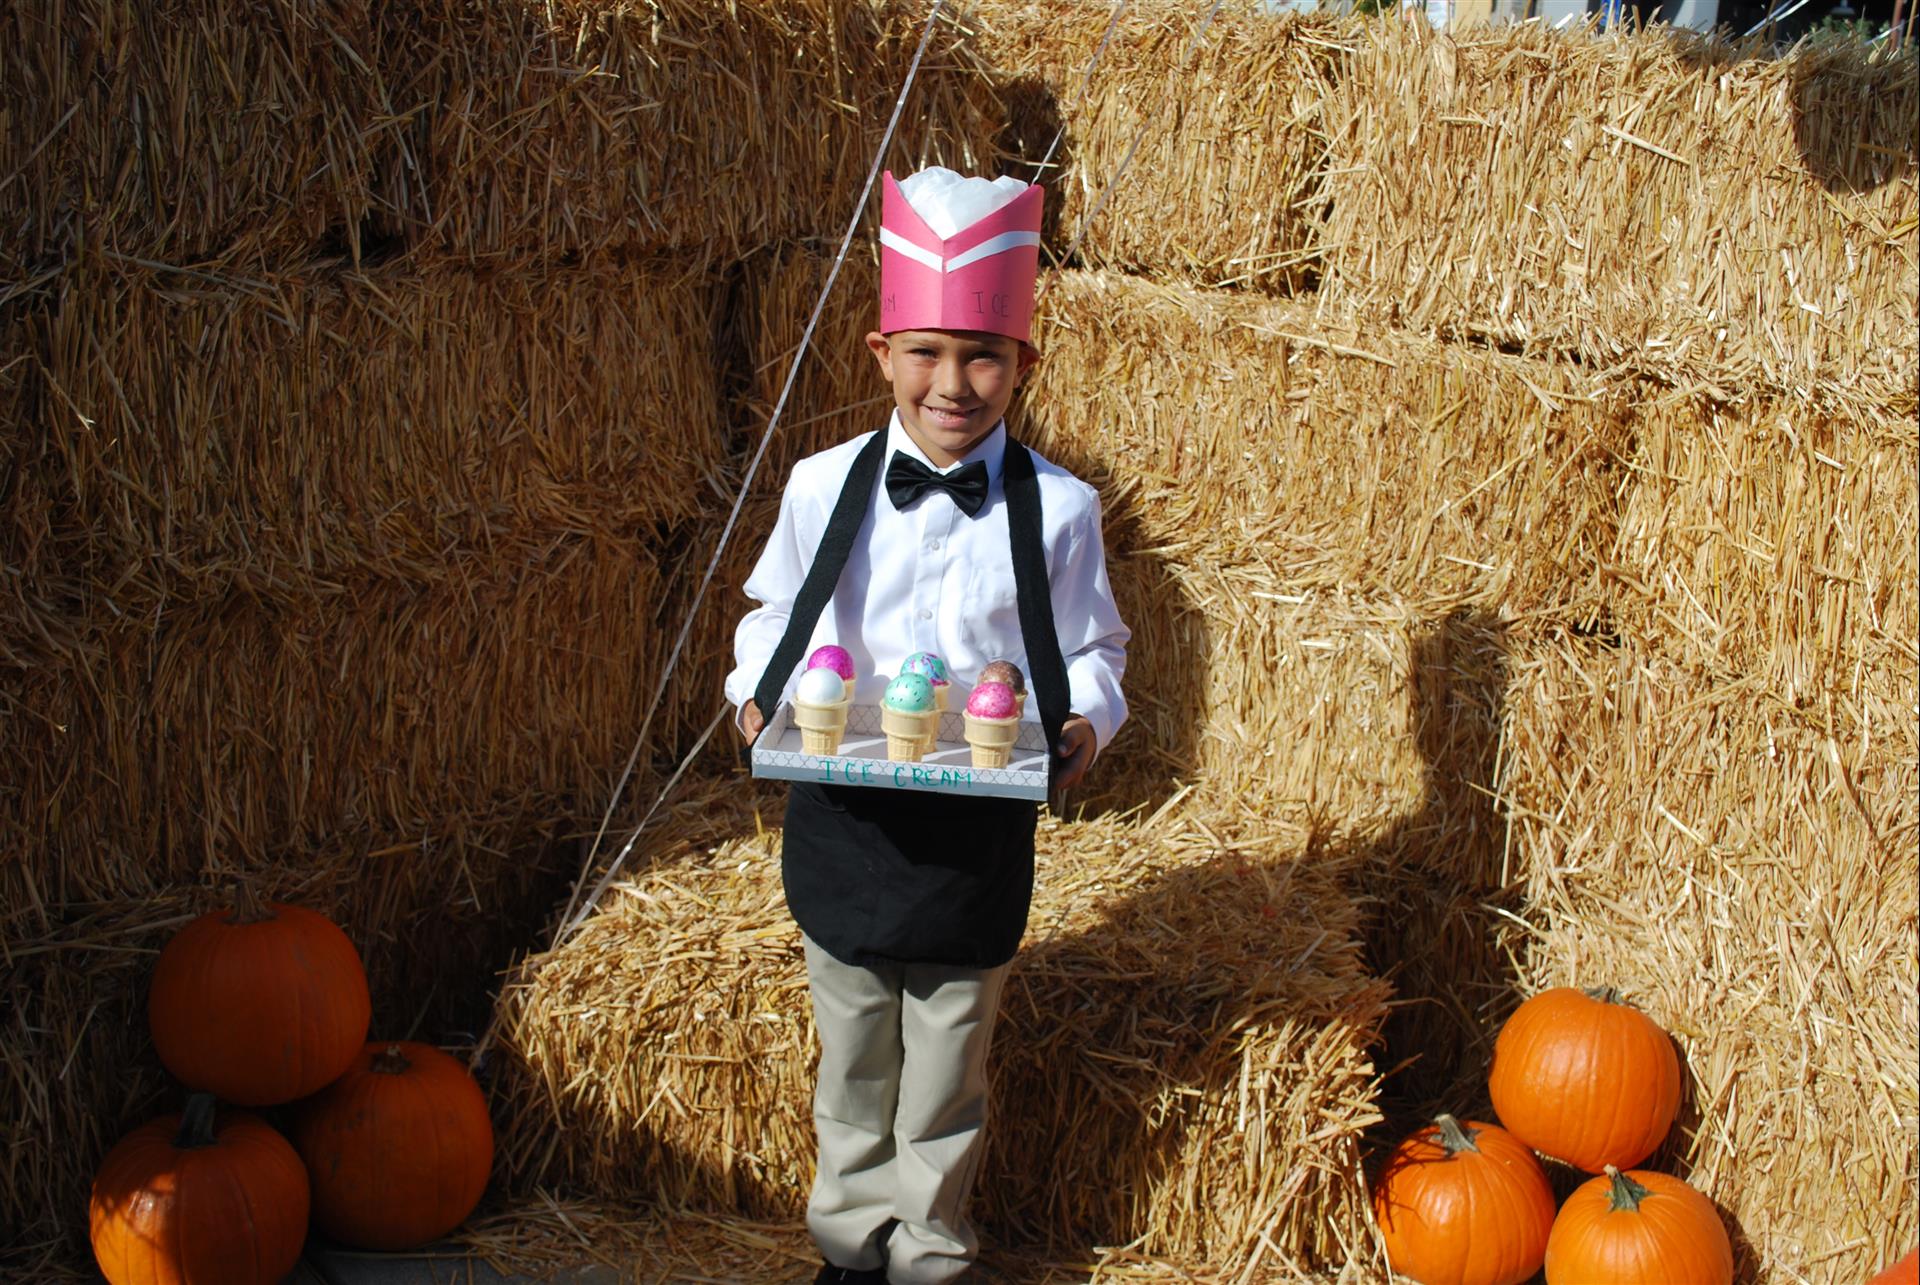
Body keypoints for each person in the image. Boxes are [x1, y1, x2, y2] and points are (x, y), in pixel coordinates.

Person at [724, 167, 1130, 1284]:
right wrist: (758, 692)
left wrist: (1083, 726)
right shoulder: (821, 485)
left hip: (976, 846)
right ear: (879, 354)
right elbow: (772, 613)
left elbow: (1098, 652)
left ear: (1024, 365)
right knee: (853, 1059)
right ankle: (851, 1249)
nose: (954, 383)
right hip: (847, 827)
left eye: (983, 355)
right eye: (927, 353)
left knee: (947, 1069)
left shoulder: (1061, 510)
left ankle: (933, 1257)